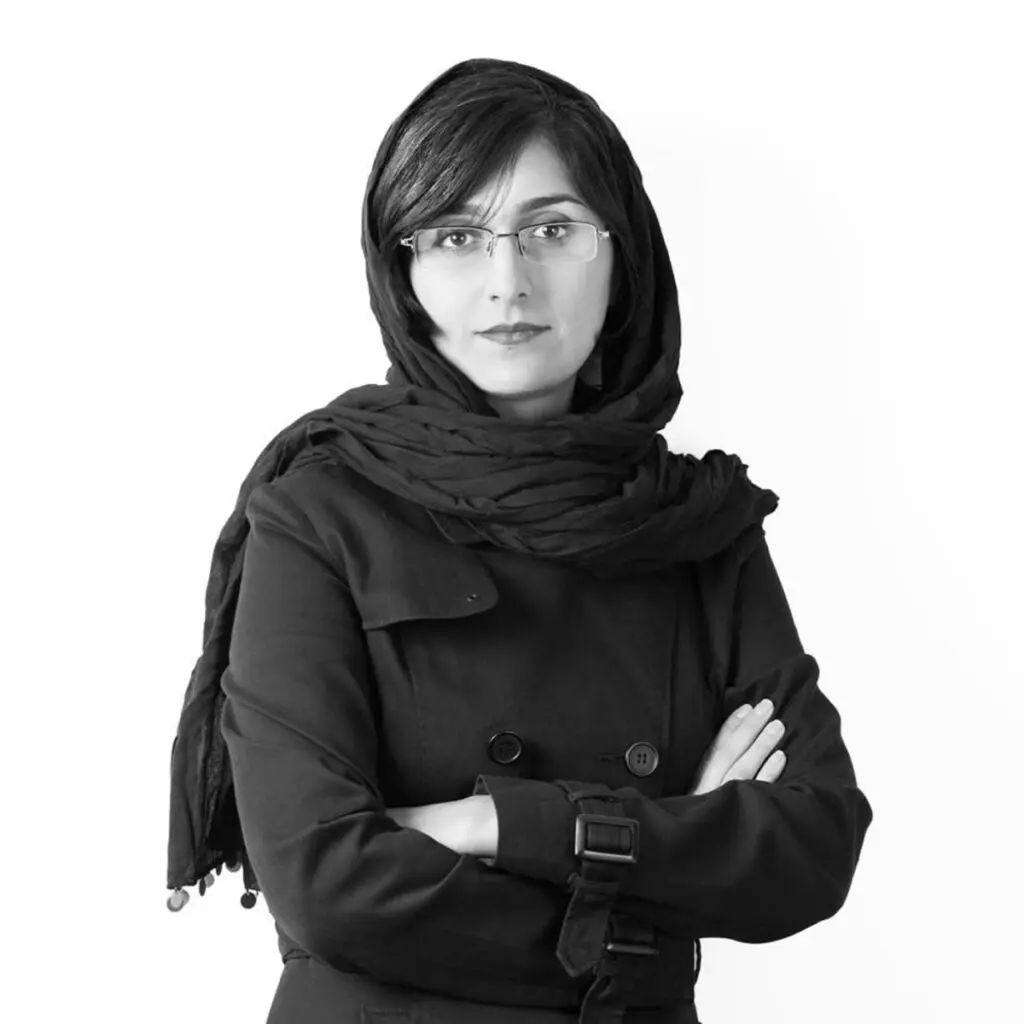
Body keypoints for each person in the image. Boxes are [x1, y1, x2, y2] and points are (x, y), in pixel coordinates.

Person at [164, 57, 873, 1024]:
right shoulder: (318, 515)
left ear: (622, 258)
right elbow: (325, 882)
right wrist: (652, 895)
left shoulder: (695, 524)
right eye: (457, 236)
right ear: (404, 274)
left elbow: (812, 845)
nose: (508, 281)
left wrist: (491, 823)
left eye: (552, 230)